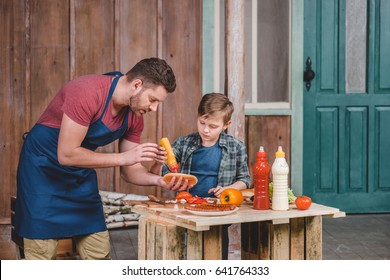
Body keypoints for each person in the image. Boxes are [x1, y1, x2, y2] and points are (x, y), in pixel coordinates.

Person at [15, 57, 189, 260]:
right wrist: (125, 157)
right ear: (136, 85)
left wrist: (159, 180)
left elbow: (129, 170)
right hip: (42, 170)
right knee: (41, 252)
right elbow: (67, 154)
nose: (154, 108)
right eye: (152, 100)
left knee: (98, 250)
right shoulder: (87, 91)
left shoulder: (134, 116)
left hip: (79, 172)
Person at [161, 92, 250, 259]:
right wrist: (173, 177)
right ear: (197, 117)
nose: (206, 130)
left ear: (226, 124)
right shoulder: (184, 143)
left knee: (216, 250)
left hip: (218, 209)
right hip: (187, 208)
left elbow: (245, 180)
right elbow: (165, 169)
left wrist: (228, 189)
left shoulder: (236, 148)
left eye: (213, 126)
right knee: (186, 251)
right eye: (202, 123)